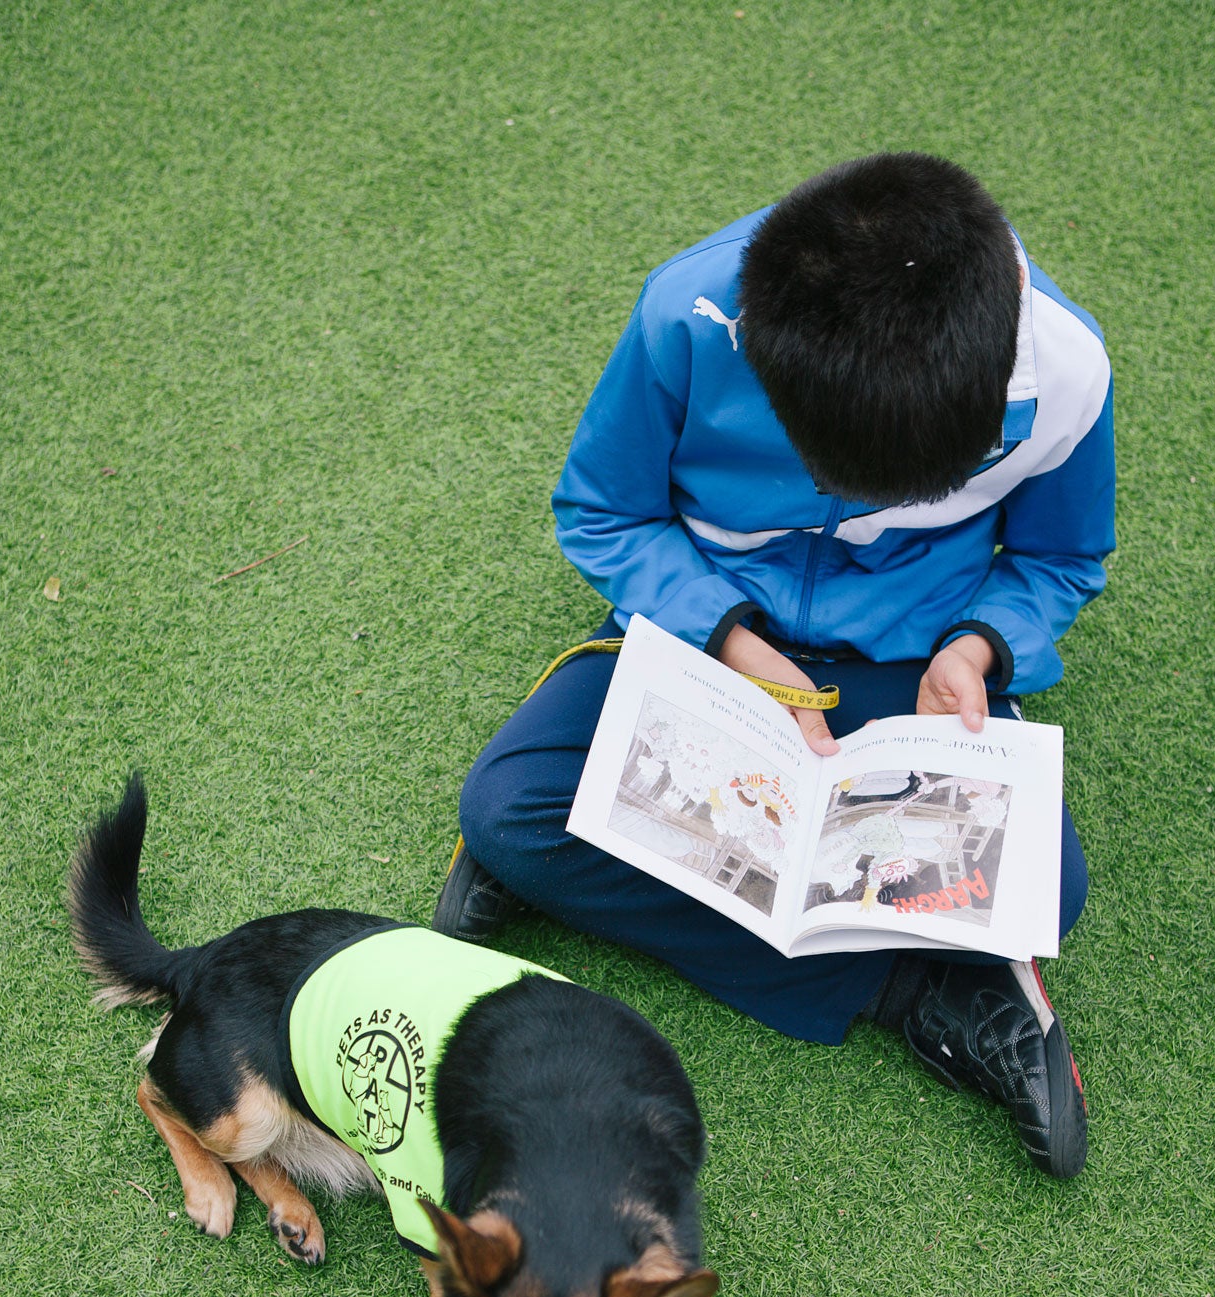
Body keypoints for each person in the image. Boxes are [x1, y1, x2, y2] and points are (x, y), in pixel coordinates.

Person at [436, 153, 1114, 1178]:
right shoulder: (690, 314)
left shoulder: (1065, 373)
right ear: (765, 358)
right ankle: (913, 991)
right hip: (709, 638)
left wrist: (974, 646)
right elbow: (603, 512)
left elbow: (1060, 557)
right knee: (508, 809)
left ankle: (627, 856)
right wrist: (726, 635)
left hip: (910, 660)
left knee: (1046, 889)